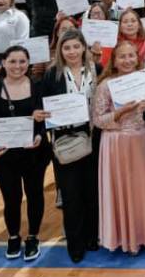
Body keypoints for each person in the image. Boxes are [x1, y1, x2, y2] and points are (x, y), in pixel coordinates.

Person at [93, 41, 145, 254]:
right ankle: (124, 236)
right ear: (114, 61)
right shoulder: (105, 85)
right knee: (123, 190)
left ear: (137, 58)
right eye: (122, 57)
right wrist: (120, 112)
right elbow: (98, 121)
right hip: (117, 143)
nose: (127, 60)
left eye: (131, 56)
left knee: (144, 189)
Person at [0, 45, 48, 261]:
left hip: (34, 153)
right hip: (3, 156)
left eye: (22, 61)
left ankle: (33, 236)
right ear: (3, 63)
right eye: (13, 61)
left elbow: (46, 119)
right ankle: (14, 236)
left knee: (35, 195)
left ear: (29, 63)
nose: (18, 66)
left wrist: (40, 135)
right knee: (11, 197)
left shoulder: (38, 87)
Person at [39, 30, 100, 263]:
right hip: (64, 140)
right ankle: (75, 244)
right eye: (67, 48)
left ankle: (93, 237)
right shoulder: (52, 75)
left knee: (92, 192)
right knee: (71, 195)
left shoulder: (97, 70)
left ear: (84, 47)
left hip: (94, 137)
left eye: (76, 47)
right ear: (60, 51)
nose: (72, 52)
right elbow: (43, 107)